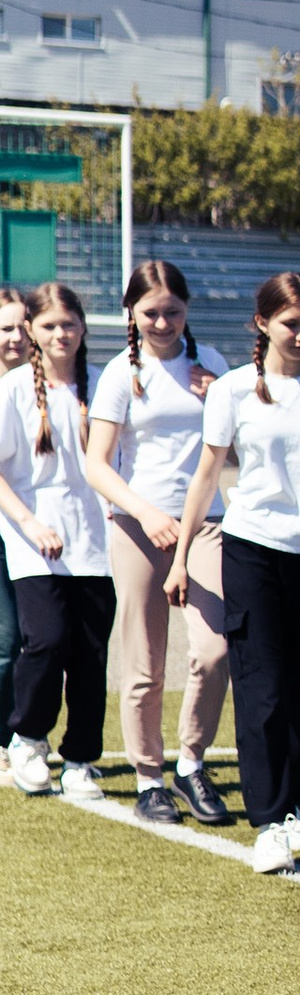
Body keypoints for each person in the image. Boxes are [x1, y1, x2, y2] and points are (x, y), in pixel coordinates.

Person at [172, 272, 300, 873]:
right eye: (293, 324)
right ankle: (266, 820)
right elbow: (206, 477)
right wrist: (183, 556)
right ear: (263, 323)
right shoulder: (232, 391)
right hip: (250, 550)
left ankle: (292, 807)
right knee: (260, 685)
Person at [85, 258, 234, 826]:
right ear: (132, 312)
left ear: (187, 309)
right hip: (137, 526)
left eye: (173, 311)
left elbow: (237, 454)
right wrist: (145, 514)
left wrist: (221, 396)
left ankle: (192, 764)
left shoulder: (212, 367)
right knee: (144, 664)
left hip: (206, 523)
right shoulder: (120, 374)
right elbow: (98, 465)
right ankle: (149, 778)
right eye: (151, 312)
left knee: (214, 649)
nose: (163, 322)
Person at [0, 283, 115, 804]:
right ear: (32, 332)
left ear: (84, 327)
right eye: (48, 326)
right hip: (35, 540)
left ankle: (82, 759)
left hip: (98, 540)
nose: (60, 334)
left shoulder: (105, 385)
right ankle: (27, 739)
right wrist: (31, 524)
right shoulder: (14, 389)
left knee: (90, 655)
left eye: (69, 324)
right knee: (45, 640)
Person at [0, 290, 29, 723]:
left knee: (36, 640)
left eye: (25, 327)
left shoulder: (57, 387)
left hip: (37, 533)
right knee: (7, 639)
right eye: (6, 328)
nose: (17, 338)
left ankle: (24, 739)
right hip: (7, 529)